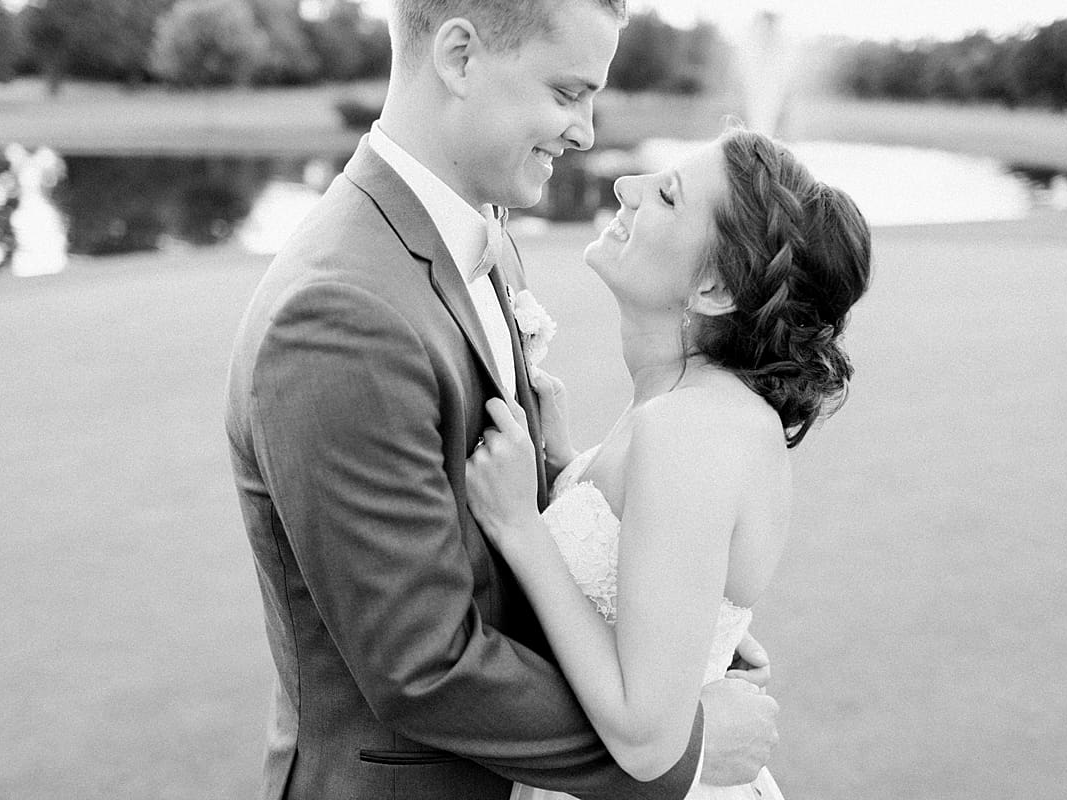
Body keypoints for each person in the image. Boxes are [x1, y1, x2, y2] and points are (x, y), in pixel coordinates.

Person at [224, 1, 780, 798]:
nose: (586, 131)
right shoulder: (339, 314)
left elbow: (475, 526)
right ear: (458, 58)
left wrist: (669, 617)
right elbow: (423, 666)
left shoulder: (479, 231)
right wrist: (680, 751)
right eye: (567, 92)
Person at [464, 128, 872, 799]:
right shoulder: (684, 404)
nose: (627, 188)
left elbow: (649, 737)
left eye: (668, 196)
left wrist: (521, 527)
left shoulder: (693, 428)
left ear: (713, 286)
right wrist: (567, 469)